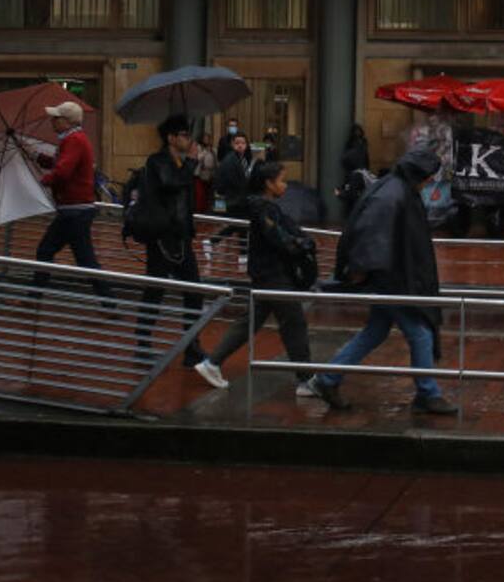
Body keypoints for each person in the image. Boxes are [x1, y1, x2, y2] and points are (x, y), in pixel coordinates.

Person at [307, 146, 457, 415]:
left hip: (391, 275)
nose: (430, 181)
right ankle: (427, 392)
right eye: (429, 175)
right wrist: (365, 267)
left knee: (375, 331)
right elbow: (373, 232)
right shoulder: (395, 194)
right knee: (420, 333)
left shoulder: (395, 188)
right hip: (393, 278)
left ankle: (327, 379)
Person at [194, 161, 315, 392]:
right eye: (281, 180)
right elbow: (278, 236)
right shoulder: (263, 208)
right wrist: (299, 245)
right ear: (268, 184)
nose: (285, 185)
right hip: (273, 274)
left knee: (249, 322)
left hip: (265, 273)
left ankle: (212, 363)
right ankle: (306, 380)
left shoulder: (264, 206)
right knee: (294, 323)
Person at [135, 114, 213, 370]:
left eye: (188, 135)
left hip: (180, 237)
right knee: (154, 292)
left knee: (194, 291)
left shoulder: (180, 163)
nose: (188, 140)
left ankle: (192, 346)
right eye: (183, 135)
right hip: (160, 238)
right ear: (171, 138)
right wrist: (191, 162)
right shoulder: (157, 162)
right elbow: (172, 182)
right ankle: (142, 344)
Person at [32, 101, 111, 303]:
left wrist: (44, 180)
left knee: (47, 250)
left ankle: (33, 297)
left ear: (67, 121)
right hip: (75, 210)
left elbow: (63, 171)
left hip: (74, 211)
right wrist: (36, 156)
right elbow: (61, 163)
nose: (52, 121)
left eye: (56, 118)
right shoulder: (73, 139)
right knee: (84, 259)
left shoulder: (74, 140)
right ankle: (109, 302)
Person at [207, 130, 253, 265]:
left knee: (240, 225)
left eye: (243, 143)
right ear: (233, 144)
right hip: (233, 200)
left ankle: (242, 255)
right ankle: (242, 255)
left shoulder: (242, 159)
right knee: (241, 225)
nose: (240, 145)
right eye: (237, 143)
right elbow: (227, 184)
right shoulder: (230, 160)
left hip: (237, 199)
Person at [336, 123, 370, 220]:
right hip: (360, 171)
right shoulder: (362, 144)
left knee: (351, 194)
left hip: (354, 172)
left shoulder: (352, 144)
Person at [193, 131, 216, 214]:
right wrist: (205, 151)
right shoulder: (198, 147)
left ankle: (207, 214)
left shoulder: (212, 149)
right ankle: (199, 214)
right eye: (205, 138)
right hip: (200, 176)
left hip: (210, 176)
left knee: (208, 198)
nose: (207, 140)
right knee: (200, 197)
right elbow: (197, 158)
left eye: (208, 138)